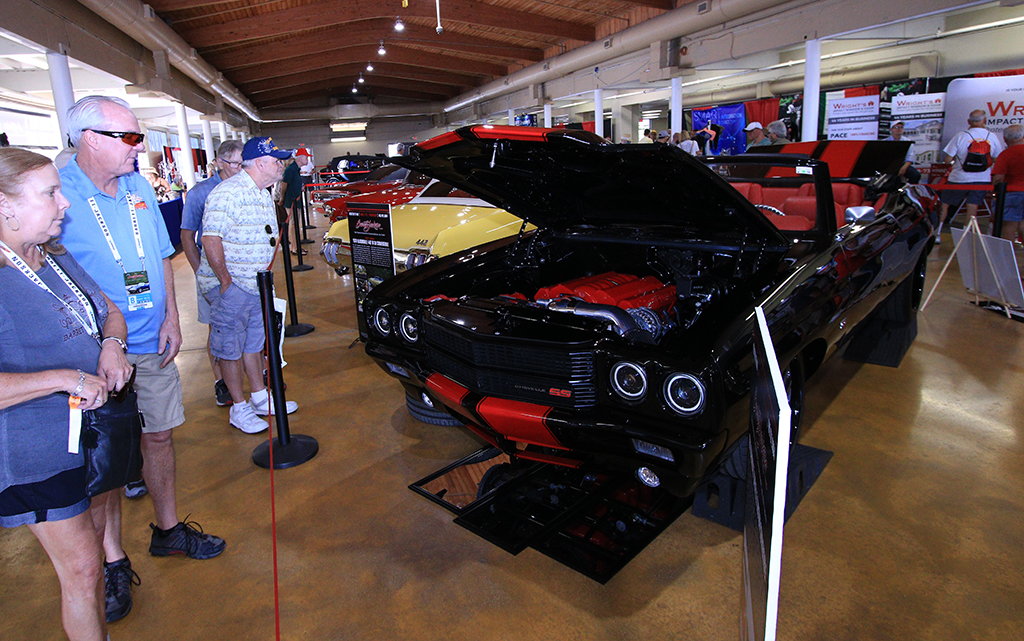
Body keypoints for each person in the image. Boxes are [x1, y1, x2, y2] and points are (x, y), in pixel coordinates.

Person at [58, 95, 226, 623]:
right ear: (91, 139)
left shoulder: (136, 187)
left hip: (152, 341)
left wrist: (172, 319)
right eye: (128, 138)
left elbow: (159, 256)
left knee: (159, 435)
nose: (140, 147)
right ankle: (111, 560)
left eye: (139, 136)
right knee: (107, 466)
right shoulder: (56, 195)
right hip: (94, 354)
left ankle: (168, 531)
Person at [1, 147, 134, 639]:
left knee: (90, 561)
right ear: (4, 204)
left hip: (83, 436)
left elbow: (107, 310)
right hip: (34, 454)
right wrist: (63, 378)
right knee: (81, 569)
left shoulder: (53, 256)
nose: (64, 204)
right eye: (50, 193)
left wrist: (113, 347)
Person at [197, 137, 299, 434]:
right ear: (258, 163)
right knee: (230, 347)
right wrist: (226, 283)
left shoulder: (262, 192)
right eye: (276, 161)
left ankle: (258, 397)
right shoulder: (228, 193)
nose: (281, 166)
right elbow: (210, 238)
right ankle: (238, 408)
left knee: (253, 344)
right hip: (233, 286)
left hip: (256, 285)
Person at [179, 140, 244, 411]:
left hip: (242, 271)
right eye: (235, 164)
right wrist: (200, 272)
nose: (240, 169)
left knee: (246, 326)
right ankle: (221, 383)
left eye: (244, 163)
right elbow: (186, 234)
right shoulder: (200, 193)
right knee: (216, 328)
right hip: (212, 275)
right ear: (219, 162)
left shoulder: (245, 187)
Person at [937, 109, 1005, 238]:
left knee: (945, 204)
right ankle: (965, 235)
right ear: (984, 121)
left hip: (958, 178)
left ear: (969, 122)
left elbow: (947, 160)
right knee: (972, 208)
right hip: (982, 179)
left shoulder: (961, 136)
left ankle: (937, 233)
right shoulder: (992, 136)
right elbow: (997, 158)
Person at [991, 124, 1024, 244]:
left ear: (1005, 139)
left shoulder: (1005, 155)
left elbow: (998, 178)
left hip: (1011, 193)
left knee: (1009, 226)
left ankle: (1008, 259)